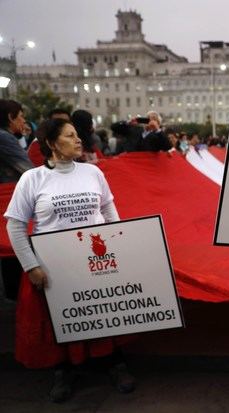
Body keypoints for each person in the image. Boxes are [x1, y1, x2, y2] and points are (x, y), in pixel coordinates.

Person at [4, 118, 136, 402]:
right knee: (59, 322)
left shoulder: (92, 172)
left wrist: (118, 247)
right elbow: (14, 225)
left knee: (104, 316)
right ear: (51, 144)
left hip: (94, 262)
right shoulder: (33, 179)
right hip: (54, 267)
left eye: (78, 135)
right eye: (70, 136)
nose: (79, 140)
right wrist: (31, 265)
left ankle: (115, 364)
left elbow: (109, 210)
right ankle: (63, 371)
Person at [0, 99, 34, 302]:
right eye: (20, 115)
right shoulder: (4, 138)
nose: (23, 120)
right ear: (10, 117)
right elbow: (28, 171)